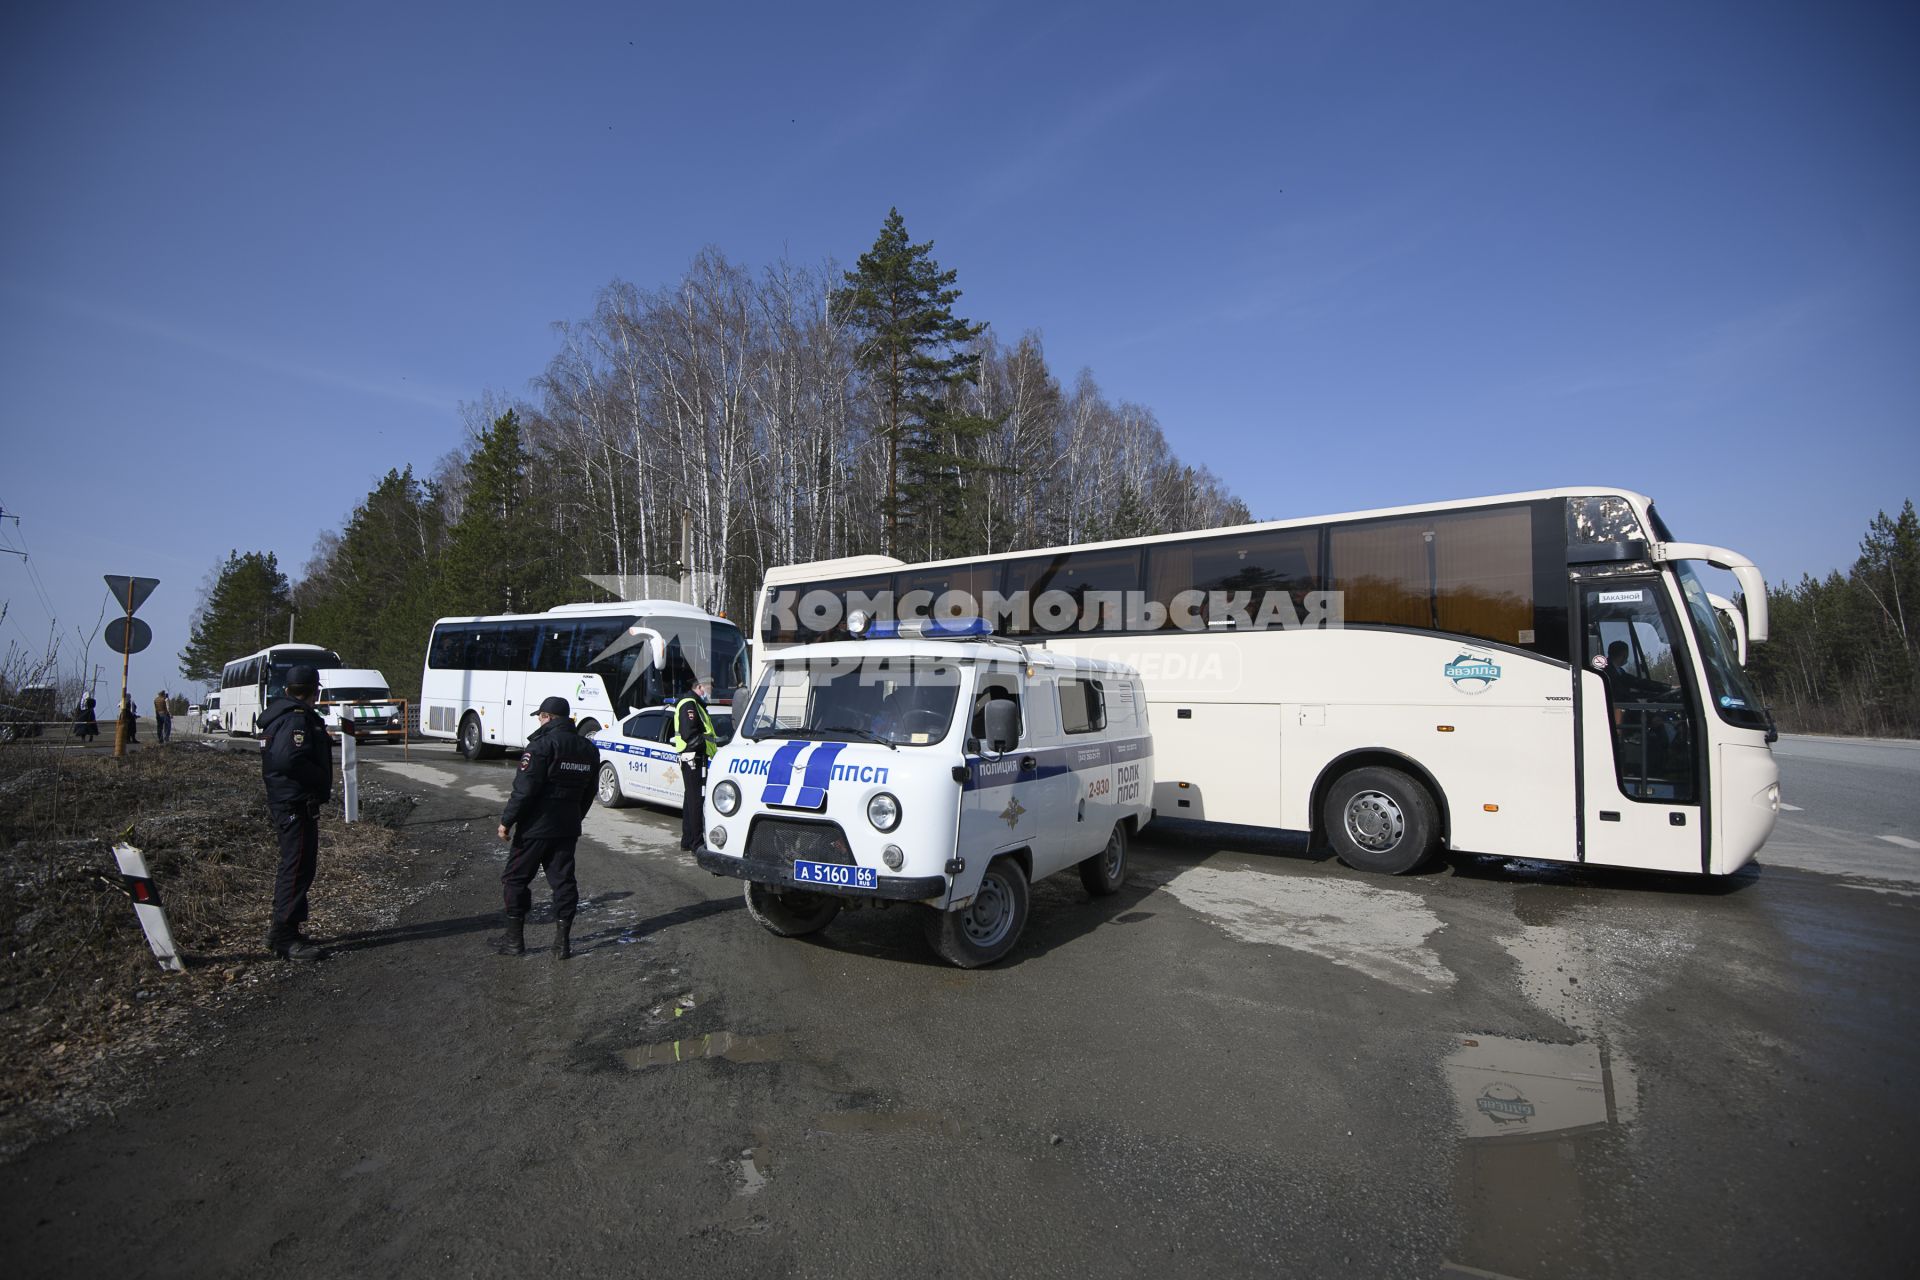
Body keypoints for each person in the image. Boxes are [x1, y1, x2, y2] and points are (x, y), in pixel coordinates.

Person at [497, 695, 598, 958]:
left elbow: (524, 790)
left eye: (541, 717)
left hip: (535, 828)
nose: (540, 721)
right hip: (567, 827)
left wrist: (507, 821)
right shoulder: (588, 748)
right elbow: (590, 791)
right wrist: (575, 816)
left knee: (515, 879)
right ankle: (562, 944)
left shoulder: (541, 746)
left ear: (548, 717)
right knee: (563, 882)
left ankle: (514, 941)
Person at [260, 665, 332, 961]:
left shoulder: (280, 716)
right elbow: (289, 760)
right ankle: (284, 936)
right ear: (314, 691)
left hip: (289, 802)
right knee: (296, 868)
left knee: (297, 866)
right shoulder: (296, 719)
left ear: (287, 689)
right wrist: (317, 777)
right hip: (295, 804)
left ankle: (286, 928)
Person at [673, 677, 720, 851]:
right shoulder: (689, 704)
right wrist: (702, 748)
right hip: (695, 758)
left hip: (694, 757)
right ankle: (696, 843)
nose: (711, 691)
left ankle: (688, 840)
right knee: (696, 801)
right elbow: (690, 734)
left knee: (690, 799)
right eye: (709, 688)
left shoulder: (695, 703)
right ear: (699, 686)